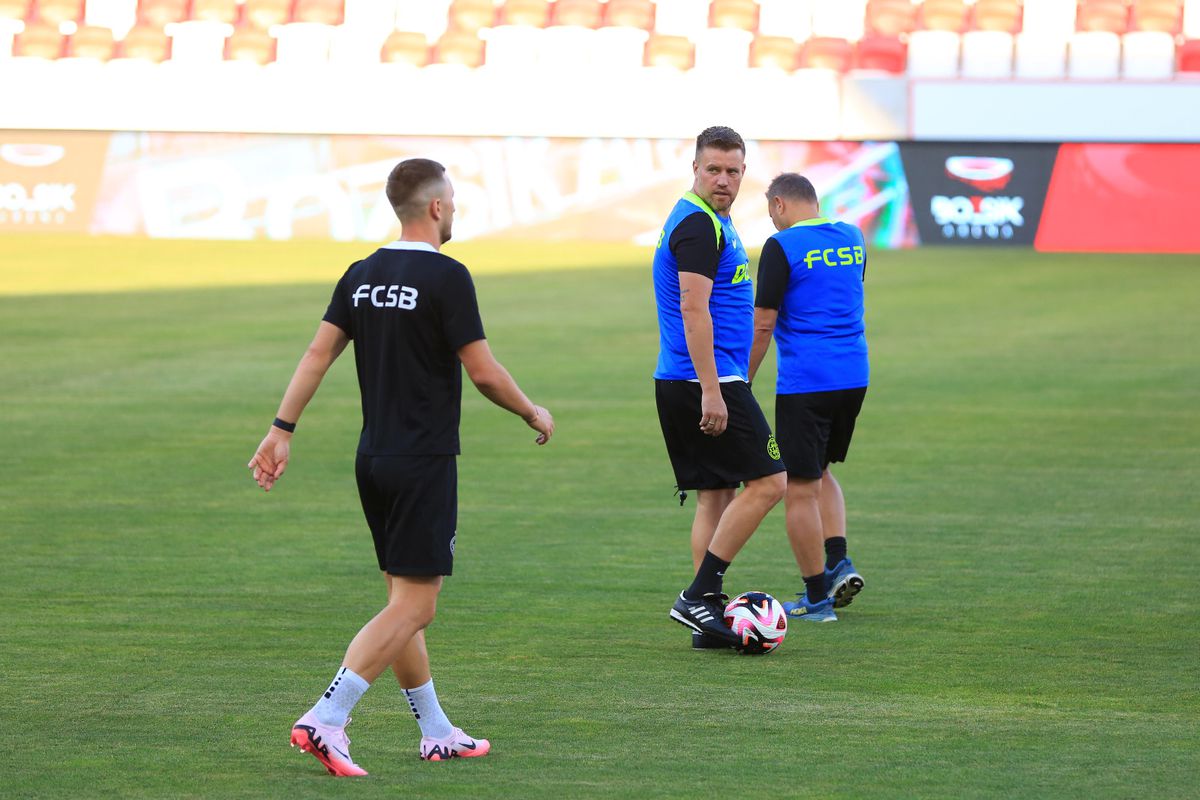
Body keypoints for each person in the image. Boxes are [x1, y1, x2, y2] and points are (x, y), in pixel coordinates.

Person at [247, 158, 554, 775]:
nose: (457, 210)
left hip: (375, 459)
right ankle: (327, 718)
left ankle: (437, 730)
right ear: (437, 207)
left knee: (401, 600)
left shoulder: (362, 274)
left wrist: (281, 430)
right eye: (455, 201)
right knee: (417, 606)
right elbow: (484, 371)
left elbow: (317, 353)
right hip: (423, 460)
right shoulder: (447, 276)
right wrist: (531, 411)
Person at [652, 126, 787, 650]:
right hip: (705, 380)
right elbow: (692, 307)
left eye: (733, 171)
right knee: (771, 482)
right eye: (714, 169)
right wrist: (712, 389)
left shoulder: (711, 220)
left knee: (716, 492)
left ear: (744, 173)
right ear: (695, 169)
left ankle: (704, 614)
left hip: (691, 377)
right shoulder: (697, 227)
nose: (723, 180)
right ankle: (699, 593)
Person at [748, 172, 869, 624]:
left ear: (779, 205)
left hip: (807, 381)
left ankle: (817, 599)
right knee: (820, 471)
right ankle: (838, 561)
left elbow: (763, 324)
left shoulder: (780, 248)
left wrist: (743, 379)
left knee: (798, 487)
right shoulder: (852, 237)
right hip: (854, 374)